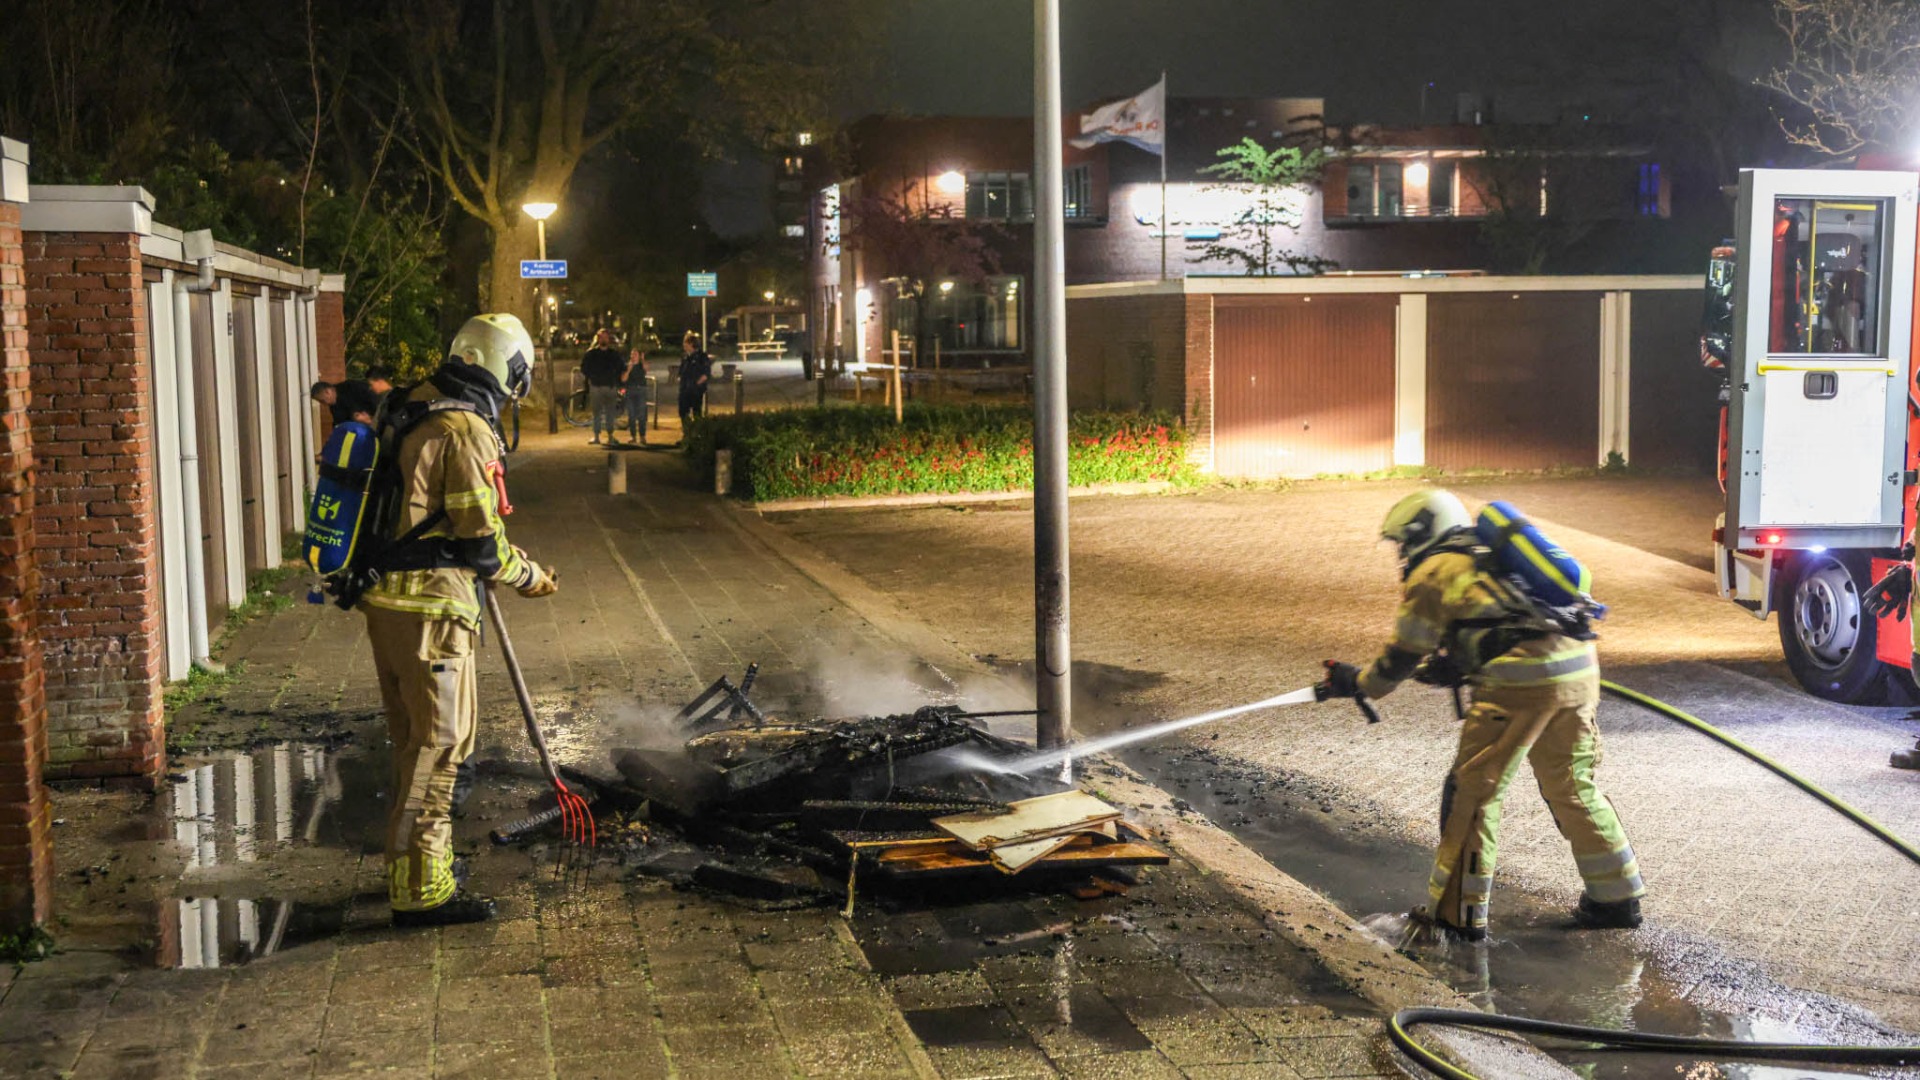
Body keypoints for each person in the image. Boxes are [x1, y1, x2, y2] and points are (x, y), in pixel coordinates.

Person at [1322, 489, 1645, 941]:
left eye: (1402, 544)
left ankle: (1456, 918)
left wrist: (1358, 684)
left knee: (1473, 793)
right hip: (1578, 670)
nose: (1401, 555)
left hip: (1520, 682)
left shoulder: (1435, 571)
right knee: (1570, 784)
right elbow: (1496, 625)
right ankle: (1616, 899)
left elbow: (1400, 656)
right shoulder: (1491, 558)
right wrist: (1459, 661)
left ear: (1421, 534)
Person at [360, 312, 558, 927]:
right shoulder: (465, 428)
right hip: (434, 612)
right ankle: (421, 893)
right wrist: (528, 575)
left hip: (387, 602)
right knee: (441, 751)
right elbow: (479, 538)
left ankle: (415, 867)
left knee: (412, 748)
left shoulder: (412, 403)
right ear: (509, 369)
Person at [580, 329, 626, 445]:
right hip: (596, 386)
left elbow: (621, 368)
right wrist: (592, 377)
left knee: (611, 413)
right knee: (596, 413)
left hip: (610, 387)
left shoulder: (614, 354)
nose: (604, 339)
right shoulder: (591, 354)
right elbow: (584, 368)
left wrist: (617, 382)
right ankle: (596, 436)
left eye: (606, 337)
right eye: (601, 337)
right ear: (598, 339)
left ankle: (610, 436)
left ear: (608, 339)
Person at [677, 331, 713, 428]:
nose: (683, 345)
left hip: (695, 390)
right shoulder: (685, 357)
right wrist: (680, 379)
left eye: (685, 342)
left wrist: (696, 384)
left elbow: (706, 374)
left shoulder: (701, 357)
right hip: (684, 390)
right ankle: (687, 433)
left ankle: (697, 433)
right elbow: (681, 371)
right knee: (683, 412)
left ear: (691, 344)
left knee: (696, 412)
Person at [621, 349, 648, 444]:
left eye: (635, 354)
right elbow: (623, 379)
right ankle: (633, 436)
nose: (633, 356)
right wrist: (628, 369)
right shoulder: (627, 366)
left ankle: (642, 436)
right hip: (630, 390)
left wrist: (643, 359)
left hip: (641, 390)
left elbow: (647, 369)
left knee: (641, 414)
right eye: (632, 354)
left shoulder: (641, 365)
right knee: (631, 415)